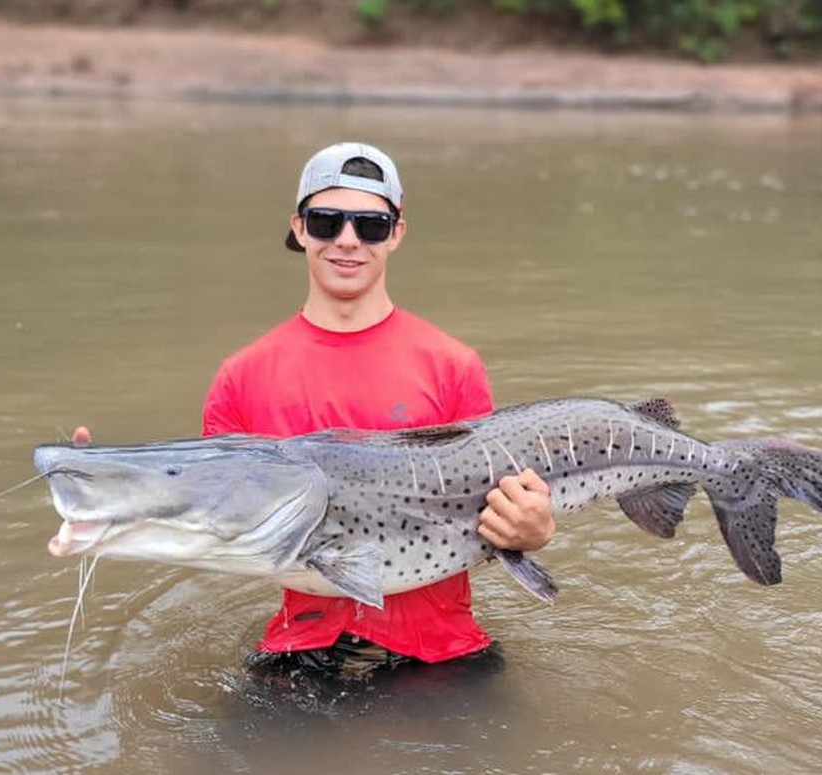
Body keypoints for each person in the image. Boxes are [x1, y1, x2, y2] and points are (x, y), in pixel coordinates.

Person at [74, 142, 554, 679]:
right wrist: (110, 481)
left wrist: (529, 530)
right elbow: (211, 513)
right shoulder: (240, 377)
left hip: (443, 650)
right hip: (300, 649)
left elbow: (488, 518)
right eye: (327, 222)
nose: (347, 240)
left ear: (396, 234)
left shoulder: (453, 366)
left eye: (369, 226)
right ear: (300, 229)